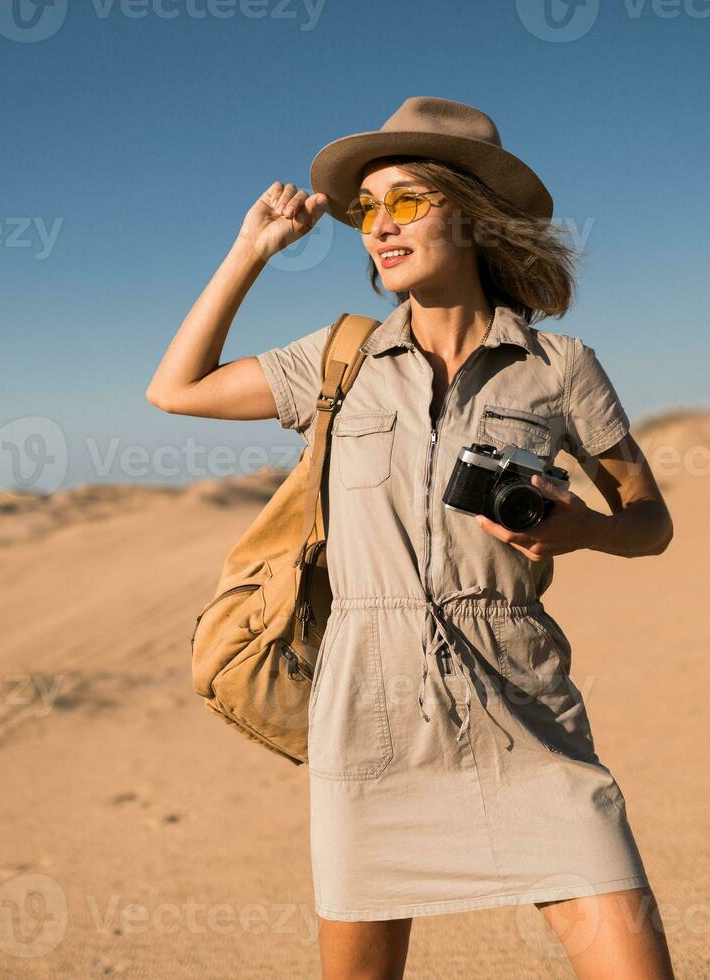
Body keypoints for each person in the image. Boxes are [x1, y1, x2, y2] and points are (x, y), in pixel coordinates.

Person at [147, 97, 676, 980]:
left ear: (469, 212)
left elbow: (650, 522)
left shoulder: (560, 368)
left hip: (523, 706)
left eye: (405, 202)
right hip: (368, 716)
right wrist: (252, 251)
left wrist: (579, 529)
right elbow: (176, 388)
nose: (377, 227)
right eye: (366, 210)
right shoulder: (339, 358)